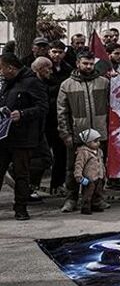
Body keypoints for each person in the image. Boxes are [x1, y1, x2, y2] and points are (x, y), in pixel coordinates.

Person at [56, 51, 113, 212]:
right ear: (77, 63)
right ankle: (71, 199)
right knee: (73, 168)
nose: (88, 66)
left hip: (99, 134)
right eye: (85, 63)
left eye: (91, 63)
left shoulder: (104, 83)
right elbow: (62, 112)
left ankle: (96, 199)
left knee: (98, 169)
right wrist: (65, 134)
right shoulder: (67, 85)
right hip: (77, 135)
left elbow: (114, 107)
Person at [0, 53, 48, 220]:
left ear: (10, 68)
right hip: (4, 136)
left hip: (23, 137)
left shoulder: (32, 82)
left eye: (2, 69)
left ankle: (21, 208)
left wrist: (23, 114)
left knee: (21, 174)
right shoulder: (7, 83)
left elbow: (42, 107)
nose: (1, 72)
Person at [46, 41, 74, 193]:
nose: (57, 55)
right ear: (49, 52)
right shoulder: (43, 67)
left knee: (61, 154)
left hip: (61, 117)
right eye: (54, 52)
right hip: (47, 118)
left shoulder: (68, 69)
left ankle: (57, 183)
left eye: (60, 52)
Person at [28, 57, 54, 201]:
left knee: (43, 158)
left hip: (41, 127)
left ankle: (30, 187)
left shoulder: (42, 83)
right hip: (33, 128)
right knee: (44, 158)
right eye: (48, 68)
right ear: (39, 69)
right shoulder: (33, 84)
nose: (50, 71)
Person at [73, 129, 107, 215]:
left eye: (99, 140)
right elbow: (79, 164)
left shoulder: (99, 151)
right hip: (89, 178)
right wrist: (78, 175)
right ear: (87, 143)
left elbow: (101, 163)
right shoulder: (83, 152)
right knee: (88, 193)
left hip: (98, 176)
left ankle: (95, 204)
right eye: (95, 141)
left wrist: (104, 173)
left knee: (98, 192)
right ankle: (85, 206)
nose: (98, 143)